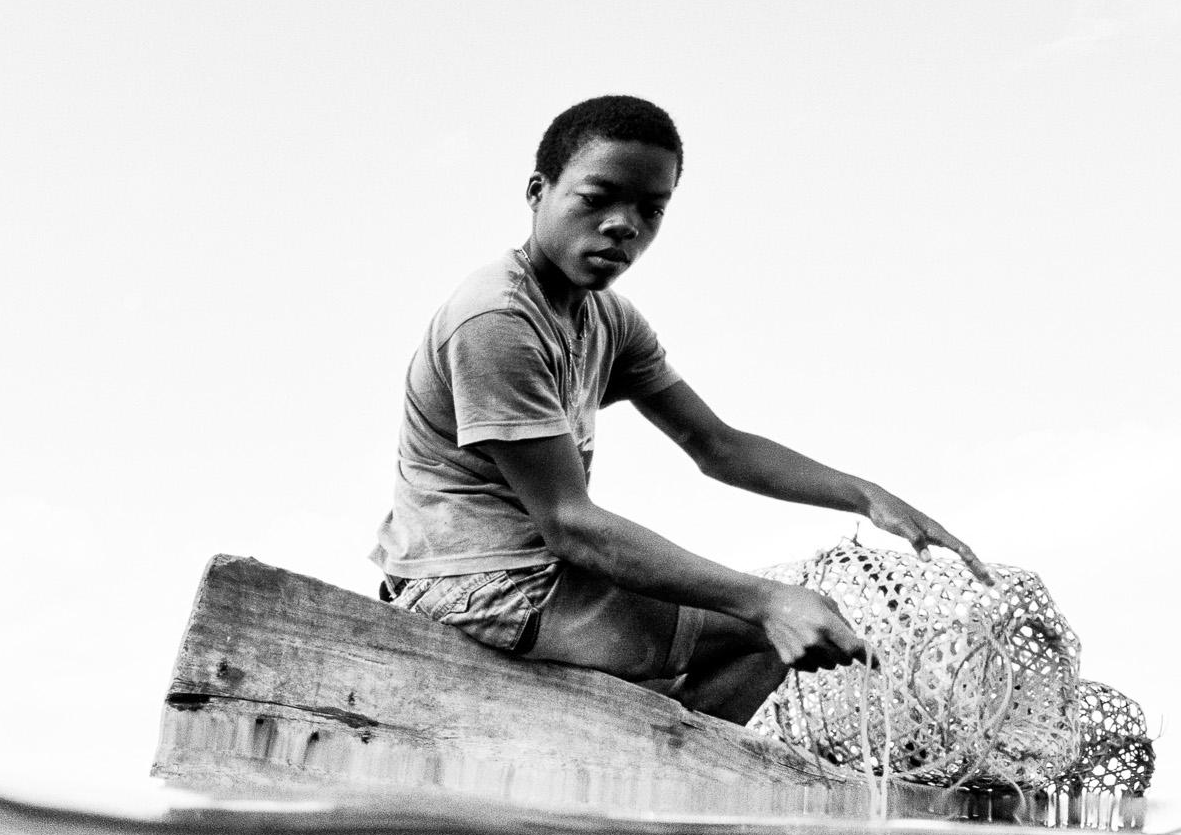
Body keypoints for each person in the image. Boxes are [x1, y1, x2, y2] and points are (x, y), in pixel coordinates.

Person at [371, 94, 988, 725]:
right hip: (476, 585)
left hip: (539, 577)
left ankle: (651, 758)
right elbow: (570, 523)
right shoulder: (496, 319)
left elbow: (717, 446)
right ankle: (649, 786)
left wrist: (866, 496)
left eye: (650, 210)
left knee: (789, 623)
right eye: (597, 198)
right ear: (538, 191)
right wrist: (767, 601)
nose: (624, 225)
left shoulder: (608, 320)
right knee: (768, 625)